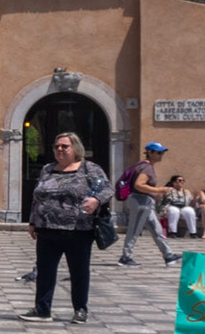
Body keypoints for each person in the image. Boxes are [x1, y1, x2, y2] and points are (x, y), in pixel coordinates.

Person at [20, 131, 112, 323]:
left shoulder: (89, 168)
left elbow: (107, 188)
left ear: (75, 148)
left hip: (78, 230)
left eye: (64, 146)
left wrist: (96, 200)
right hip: (47, 229)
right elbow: (37, 197)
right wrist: (32, 222)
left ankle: (80, 310)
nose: (60, 150)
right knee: (45, 271)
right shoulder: (47, 169)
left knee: (79, 272)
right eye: (56, 146)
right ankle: (42, 310)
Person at [118, 141, 179, 267]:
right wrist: (159, 190)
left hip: (144, 202)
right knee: (134, 230)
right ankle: (125, 257)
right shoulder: (146, 167)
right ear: (150, 153)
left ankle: (169, 256)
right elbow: (139, 185)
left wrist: (155, 195)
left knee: (156, 230)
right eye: (158, 152)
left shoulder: (144, 166)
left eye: (162, 152)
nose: (161, 154)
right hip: (140, 201)